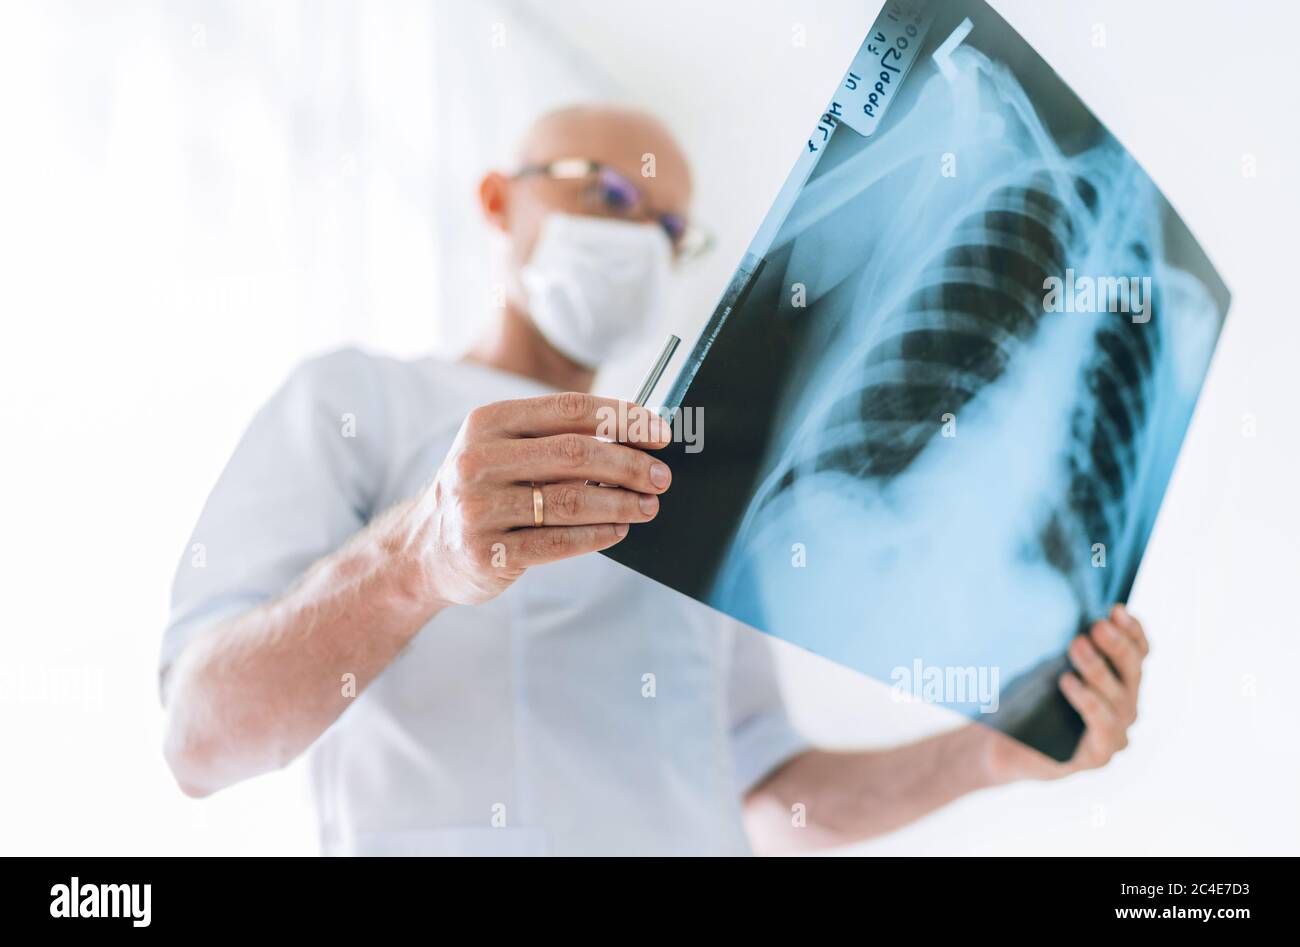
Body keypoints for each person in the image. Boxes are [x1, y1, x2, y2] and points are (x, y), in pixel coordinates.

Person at [160, 104, 1148, 856]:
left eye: (670, 227)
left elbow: (769, 789)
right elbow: (200, 736)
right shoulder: (359, 397)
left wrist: (983, 754)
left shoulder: (694, 461)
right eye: (609, 194)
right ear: (499, 200)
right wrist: (417, 557)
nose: (641, 240)